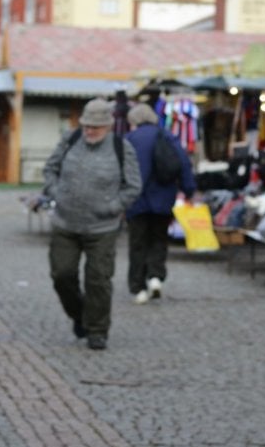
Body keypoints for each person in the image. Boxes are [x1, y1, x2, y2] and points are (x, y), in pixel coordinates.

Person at [41, 98, 142, 351]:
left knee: (98, 279)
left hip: (102, 228)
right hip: (66, 223)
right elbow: (50, 169)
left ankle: (97, 330)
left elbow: (133, 186)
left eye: (95, 127)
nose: (89, 131)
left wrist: (112, 207)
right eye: (86, 125)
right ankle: (79, 315)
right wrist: (56, 193)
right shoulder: (70, 139)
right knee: (61, 274)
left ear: (107, 126)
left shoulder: (122, 148)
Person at [124, 101, 196, 303]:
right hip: (163, 199)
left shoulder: (130, 139)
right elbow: (183, 163)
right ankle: (155, 277)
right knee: (158, 240)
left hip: (136, 200)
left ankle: (138, 288)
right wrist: (188, 190)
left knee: (137, 243)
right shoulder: (167, 136)